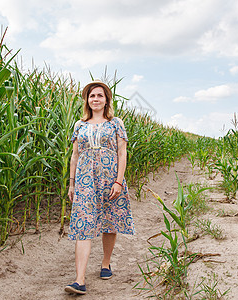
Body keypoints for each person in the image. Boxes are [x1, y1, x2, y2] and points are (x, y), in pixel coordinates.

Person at [64, 80, 135, 295]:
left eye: (100, 96)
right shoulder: (79, 125)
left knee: (109, 220)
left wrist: (119, 181)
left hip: (110, 176)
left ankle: (105, 263)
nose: (95, 99)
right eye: (92, 96)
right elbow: (75, 156)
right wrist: (72, 183)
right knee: (82, 223)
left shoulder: (116, 123)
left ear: (106, 100)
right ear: (87, 100)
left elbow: (122, 153)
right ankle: (79, 280)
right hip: (85, 179)